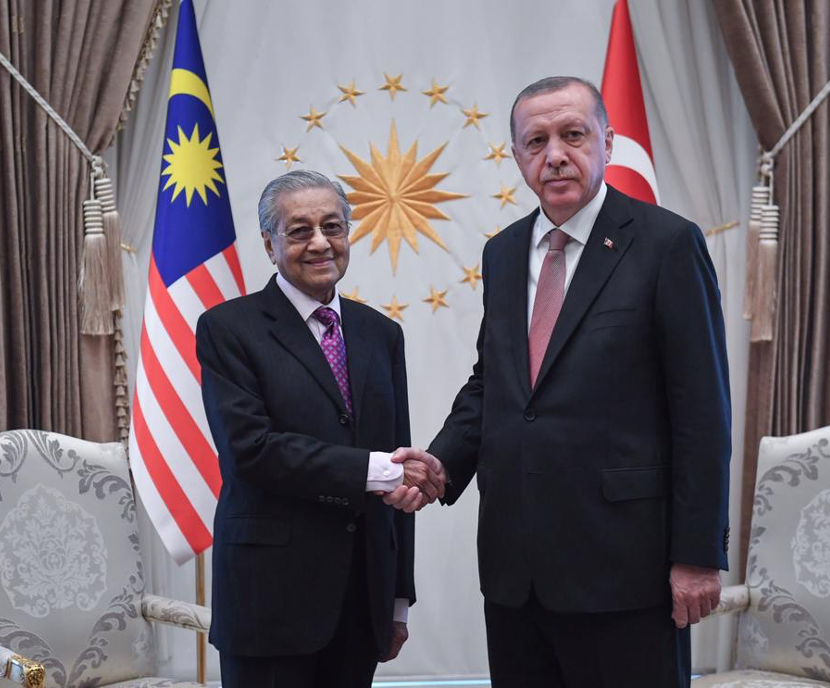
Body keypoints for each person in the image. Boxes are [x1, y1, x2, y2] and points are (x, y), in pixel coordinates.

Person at [387, 76, 731, 687]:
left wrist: (698, 555)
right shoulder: (502, 252)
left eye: (573, 135)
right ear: (518, 157)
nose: (555, 155)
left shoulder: (666, 244)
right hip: (516, 571)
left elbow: (703, 413)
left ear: (607, 140)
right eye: (536, 141)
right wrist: (441, 463)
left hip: (626, 568)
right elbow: (496, 385)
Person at [196, 170, 443, 687]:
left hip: (361, 602)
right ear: (269, 243)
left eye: (332, 227)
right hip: (270, 604)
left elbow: (397, 471)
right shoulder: (228, 329)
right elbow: (251, 452)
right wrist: (375, 469)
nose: (319, 244)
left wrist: (397, 599)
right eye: (299, 230)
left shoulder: (381, 334)